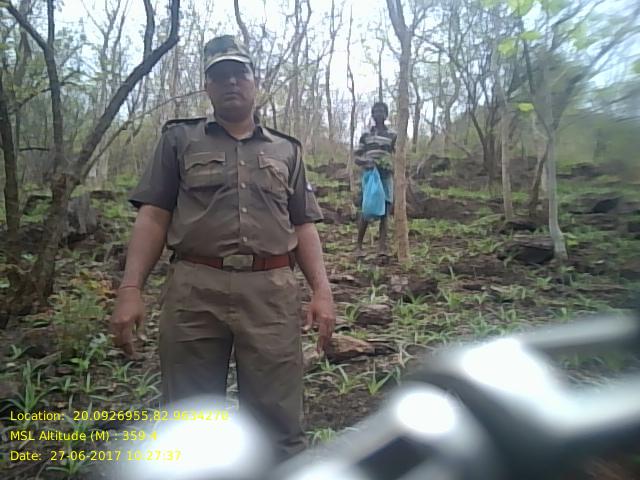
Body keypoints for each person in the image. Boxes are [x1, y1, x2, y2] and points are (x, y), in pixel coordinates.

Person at [109, 35, 336, 461]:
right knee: (189, 422)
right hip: (195, 290)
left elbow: (303, 224)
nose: (231, 82)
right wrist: (130, 289)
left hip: (270, 292)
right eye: (220, 75)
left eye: (240, 74)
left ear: (255, 82)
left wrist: (322, 290)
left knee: (278, 423)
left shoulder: (286, 149)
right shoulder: (179, 140)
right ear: (207, 87)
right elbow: (154, 216)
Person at [354, 101, 397, 258]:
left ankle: (382, 248)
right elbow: (357, 157)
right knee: (367, 209)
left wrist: (391, 166)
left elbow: (399, 156)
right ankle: (358, 246)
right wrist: (367, 162)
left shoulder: (392, 135)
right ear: (372, 115)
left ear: (386, 115)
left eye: (382, 111)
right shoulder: (366, 135)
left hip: (386, 176)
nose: (379, 114)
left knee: (385, 210)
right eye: (376, 111)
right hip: (370, 175)